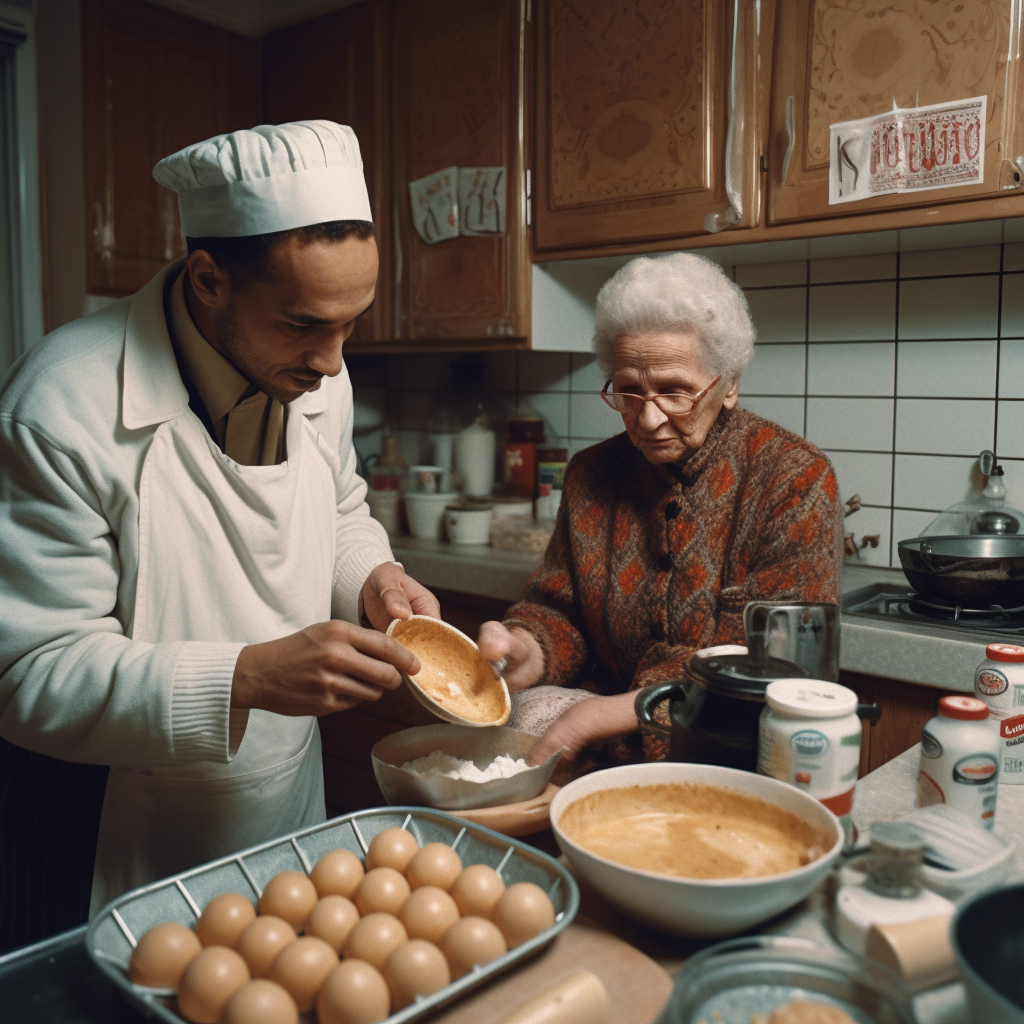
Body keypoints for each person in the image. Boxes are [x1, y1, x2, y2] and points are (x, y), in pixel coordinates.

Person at [0, 121, 438, 952]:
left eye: (352, 323)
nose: (335, 363)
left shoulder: (316, 379)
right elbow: (27, 671)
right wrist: (244, 676)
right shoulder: (60, 407)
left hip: (277, 797)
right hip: (107, 821)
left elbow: (338, 507)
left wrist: (374, 574)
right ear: (208, 278)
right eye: (307, 324)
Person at [478, 253, 843, 779]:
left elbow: (772, 668)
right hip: (604, 757)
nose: (647, 419)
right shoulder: (590, 474)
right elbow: (559, 611)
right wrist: (525, 649)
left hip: (738, 760)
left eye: (674, 391)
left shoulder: (792, 480)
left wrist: (611, 713)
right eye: (628, 390)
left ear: (728, 384)